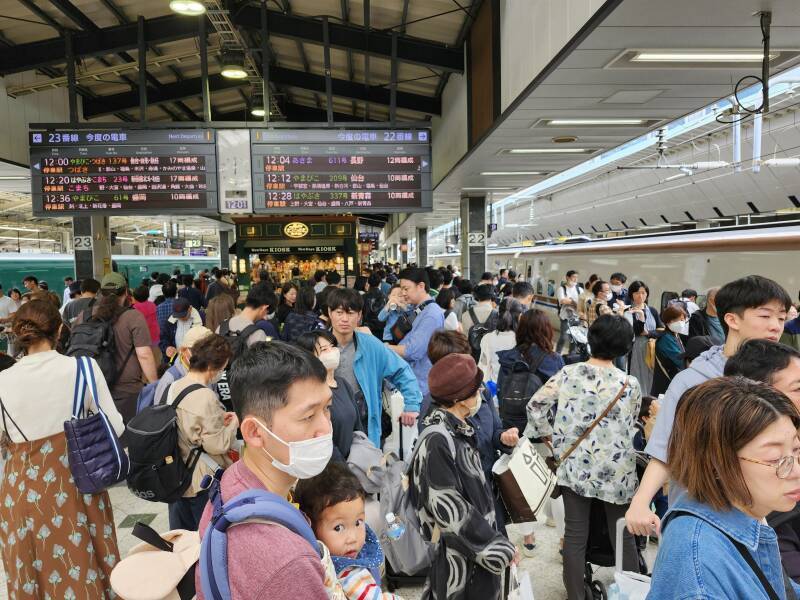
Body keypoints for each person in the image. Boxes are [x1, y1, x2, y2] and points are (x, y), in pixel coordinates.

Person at [626, 275, 792, 537]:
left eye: (781, 319)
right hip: (706, 515)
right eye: (765, 316)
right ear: (731, 319)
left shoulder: (782, 377)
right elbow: (667, 446)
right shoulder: (694, 381)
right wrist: (640, 502)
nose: (775, 327)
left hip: (770, 512)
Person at [0, 299, 125, 598]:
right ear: (60, 330)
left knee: (32, 566)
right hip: (77, 484)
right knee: (85, 560)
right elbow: (116, 426)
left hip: (22, 490)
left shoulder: (2, 380)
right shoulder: (83, 368)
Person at [195, 342, 334, 598]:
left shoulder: (232, 482)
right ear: (255, 432)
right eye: (308, 416)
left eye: (327, 408)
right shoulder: (288, 563)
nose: (325, 428)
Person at [647, 377, 800, 600]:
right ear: (716, 463)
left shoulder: (743, 518)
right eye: (775, 459)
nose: (796, 471)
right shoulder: (700, 566)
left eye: (796, 451)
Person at [527, 314, 641, 600]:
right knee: (623, 536)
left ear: (591, 341)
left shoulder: (568, 373)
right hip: (617, 472)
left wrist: (548, 435)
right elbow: (631, 424)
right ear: (625, 347)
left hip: (576, 468)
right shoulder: (629, 384)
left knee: (576, 537)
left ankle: (577, 595)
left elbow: (536, 404)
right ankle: (629, 593)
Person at [409, 353, 517, 600]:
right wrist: (497, 547)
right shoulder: (438, 440)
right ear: (459, 399)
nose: (481, 392)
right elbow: (451, 512)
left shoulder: (458, 428)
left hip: (475, 556)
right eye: (476, 389)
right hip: (459, 563)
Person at [496, 307, 565, 552]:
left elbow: (501, 391)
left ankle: (528, 539)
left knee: (521, 482)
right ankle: (562, 540)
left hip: (513, 427)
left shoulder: (507, 357)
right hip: (544, 430)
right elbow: (560, 398)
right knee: (556, 486)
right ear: (546, 330)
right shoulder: (553, 360)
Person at [326, 287, 422, 445]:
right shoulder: (318, 346)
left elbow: (402, 371)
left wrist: (412, 404)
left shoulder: (370, 345)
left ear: (359, 316)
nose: (344, 319)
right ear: (330, 313)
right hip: (329, 423)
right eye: (339, 312)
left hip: (364, 423)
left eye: (350, 313)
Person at [165, 332, 238, 530]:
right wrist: (233, 424)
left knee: (183, 538)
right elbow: (216, 445)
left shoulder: (174, 387)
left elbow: (187, 424)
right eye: (222, 367)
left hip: (177, 474)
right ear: (212, 367)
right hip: (201, 480)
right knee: (205, 538)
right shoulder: (205, 395)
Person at [295, 463, 398, 600]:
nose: (352, 538)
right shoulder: (348, 574)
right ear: (311, 527)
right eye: (338, 527)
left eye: (358, 522)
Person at [75, 272, 158, 422]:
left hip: (93, 390)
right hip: (127, 392)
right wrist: (155, 385)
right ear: (126, 292)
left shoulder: (84, 315)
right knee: (127, 438)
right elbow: (144, 355)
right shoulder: (133, 316)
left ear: (101, 293)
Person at [295, 330, 365, 461]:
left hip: (354, 463)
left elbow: (358, 428)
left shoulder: (343, 384)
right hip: (331, 467)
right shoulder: (310, 393)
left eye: (332, 347)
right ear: (309, 357)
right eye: (324, 349)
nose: (332, 351)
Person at [387, 267, 445, 398]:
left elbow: (412, 351)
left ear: (421, 286)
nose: (402, 293)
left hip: (419, 386)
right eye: (401, 289)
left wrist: (385, 348)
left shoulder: (431, 314)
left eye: (406, 289)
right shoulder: (419, 308)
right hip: (411, 381)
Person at [624, 280, 662, 395]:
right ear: (631, 294)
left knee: (651, 376)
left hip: (651, 349)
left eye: (643, 293)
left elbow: (661, 330)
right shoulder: (628, 311)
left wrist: (648, 333)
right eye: (637, 293)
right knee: (636, 376)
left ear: (647, 294)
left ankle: (648, 399)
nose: (640, 296)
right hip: (634, 349)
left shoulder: (653, 311)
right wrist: (640, 317)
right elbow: (636, 331)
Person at [479, 298, 524, 389]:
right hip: (519, 391)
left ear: (498, 314)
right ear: (520, 316)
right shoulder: (523, 339)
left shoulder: (488, 338)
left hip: (496, 389)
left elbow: (483, 366)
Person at [651, 305, 688, 396]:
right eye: (676, 320)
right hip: (665, 385)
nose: (681, 323)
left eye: (682, 320)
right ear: (667, 322)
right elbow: (680, 361)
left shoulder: (675, 335)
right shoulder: (666, 339)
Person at [132, 284, 161, 362]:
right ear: (148, 295)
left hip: (142, 339)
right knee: (156, 359)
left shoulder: (134, 308)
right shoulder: (153, 305)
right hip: (155, 336)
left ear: (134, 297)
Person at [556, 270, 583, 354]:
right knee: (563, 337)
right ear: (567, 277)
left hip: (577, 317)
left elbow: (583, 303)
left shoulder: (579, 289)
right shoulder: (561, 288)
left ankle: (571, 355)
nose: (575, 279)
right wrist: (575, 302)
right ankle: (557, 354)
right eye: (573, 277)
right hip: (565, 317)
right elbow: (562, 301)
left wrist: (571, 301)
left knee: (574, 338)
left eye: (576, 278)